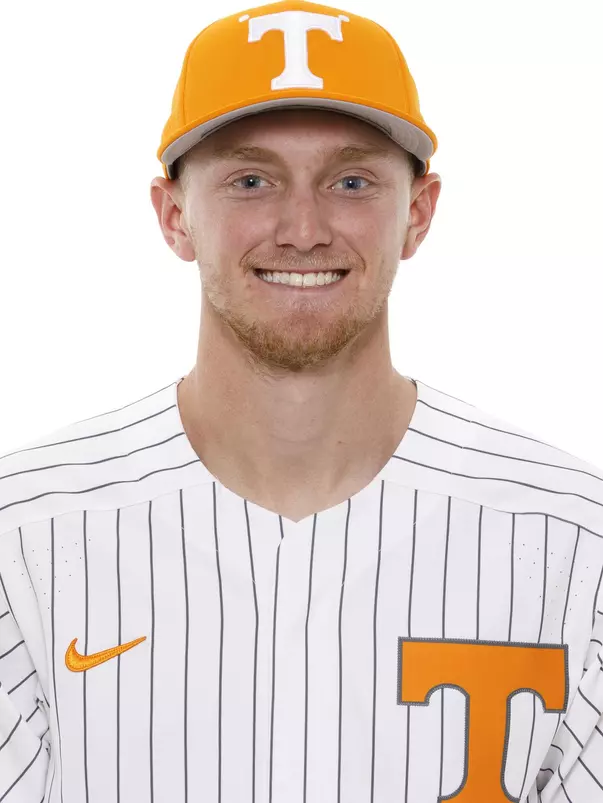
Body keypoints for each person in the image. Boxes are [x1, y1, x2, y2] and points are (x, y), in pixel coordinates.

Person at [1, 0, 602, 800]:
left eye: (350, 180)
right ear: (174, 215)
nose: (303, 227)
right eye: (251, 180)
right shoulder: (29, 538)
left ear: (417, 213)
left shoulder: (570, 541)